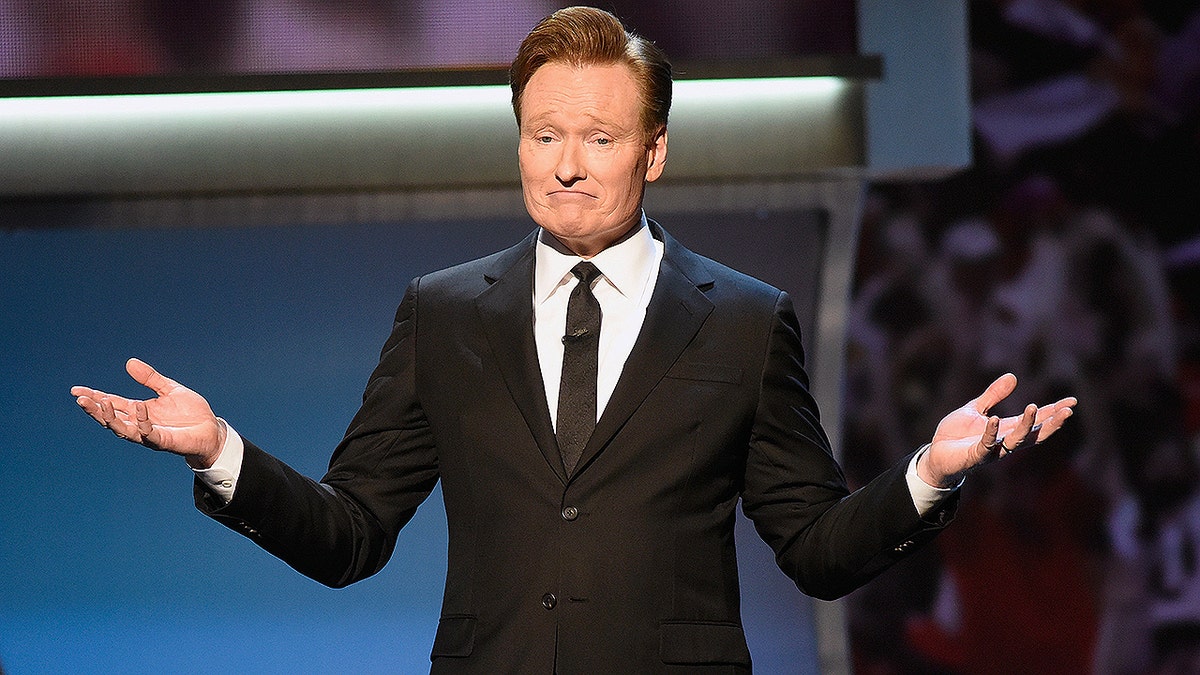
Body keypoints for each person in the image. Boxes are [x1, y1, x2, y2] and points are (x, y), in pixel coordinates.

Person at [70, 7, 1075, 673]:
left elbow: (812, 549)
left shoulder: (742, 318)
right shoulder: (444, 313)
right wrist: (220, 453)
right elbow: (351, 537)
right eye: (543, 135)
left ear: (655, 151)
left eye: (598, 138)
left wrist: (928, 476)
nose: (566, 166)